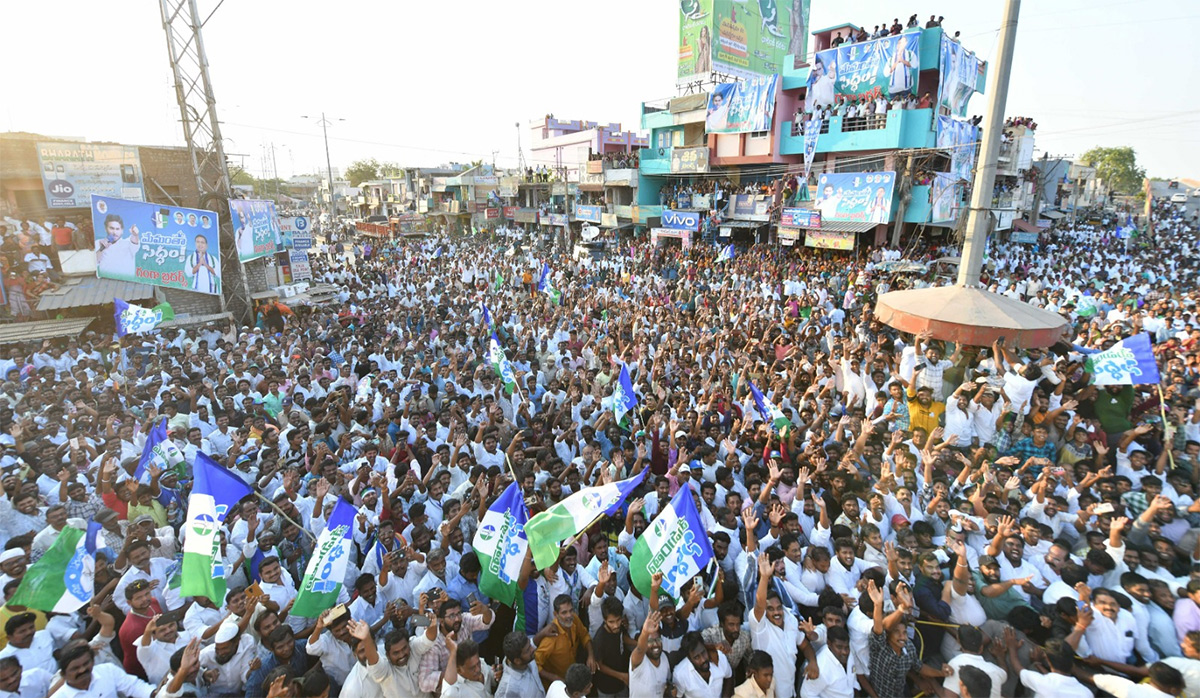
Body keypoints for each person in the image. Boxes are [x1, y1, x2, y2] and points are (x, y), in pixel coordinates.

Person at [95, 213, 139, 280]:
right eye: (111, 228)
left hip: (125, 281)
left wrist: (135, 235)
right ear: (105, 228)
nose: (114, 232)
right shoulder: (99, 242)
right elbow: (95, 261)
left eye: (117, 229)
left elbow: (134, 242)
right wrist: (101, 249)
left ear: (122, 231)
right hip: (105, 280)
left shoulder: (127, 243)